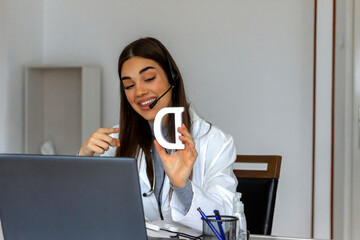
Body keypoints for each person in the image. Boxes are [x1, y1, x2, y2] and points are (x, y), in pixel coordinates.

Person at [79, 37, 237, 231]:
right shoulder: (114, 143)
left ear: (172, 78)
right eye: (129, 85)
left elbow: (225, 226)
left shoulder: (215, 142)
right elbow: (84, 214)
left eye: (149, 79)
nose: (139, 92)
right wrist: (82, 161)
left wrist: (182, 187)